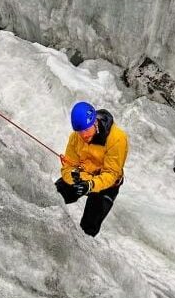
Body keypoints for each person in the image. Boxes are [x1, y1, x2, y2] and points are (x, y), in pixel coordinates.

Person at [55, 101, 128, 237]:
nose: (84, 135)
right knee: (52, 195)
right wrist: (77, 178)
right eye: (80, 131)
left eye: (87, 130)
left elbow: (111, 174)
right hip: (84, 177)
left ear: (95, 122)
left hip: (108, 185)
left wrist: (90, 185)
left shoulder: (117, 139)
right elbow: (68, 168)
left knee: (87, 230)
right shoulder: (75, 137)